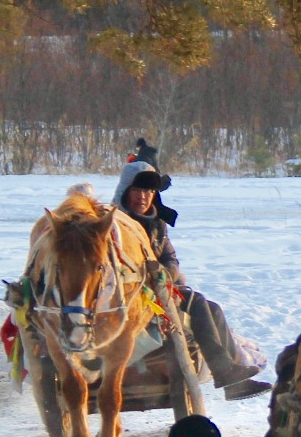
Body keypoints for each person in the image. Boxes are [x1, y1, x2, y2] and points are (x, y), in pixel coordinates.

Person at [114, 144, 271, 400]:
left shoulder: (156, 222)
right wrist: (150, 277)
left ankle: (232, 378)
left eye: (149, 191)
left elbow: (170, 257)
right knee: (196, 302)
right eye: (138, 190)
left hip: (159, 289)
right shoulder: (117, 225)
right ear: (125, 191)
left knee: (213, 307)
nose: (143, 197)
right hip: (132, 297)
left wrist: (164, 273)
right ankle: (226, 374)